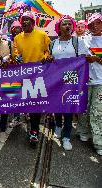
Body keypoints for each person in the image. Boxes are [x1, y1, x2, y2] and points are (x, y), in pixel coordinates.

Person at [13, 11, 51, 147]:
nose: (24, 22)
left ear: (33, 22)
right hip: (24, 77)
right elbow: (16, 54)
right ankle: (31, 123)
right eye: (23, 20)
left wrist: (46, 57)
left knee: (36, 104)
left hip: (40, 76)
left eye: (28, 20)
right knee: (28, 104)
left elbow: (48, 51)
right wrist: (15, 58)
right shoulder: (17, 38)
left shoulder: (42, 35)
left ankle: (34, 131)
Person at [49, 15, 78, 150]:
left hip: (71, 77)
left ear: (72, 27)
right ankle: (58, 126)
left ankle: (66, 136)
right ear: (59, 28)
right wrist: (48, 58)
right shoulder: (53, 43)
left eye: (69, 24)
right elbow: (50, 59)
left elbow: (83, 59)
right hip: (56, 78)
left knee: (68, 107)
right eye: (64, 24)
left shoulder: (77, 42)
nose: (67, 26)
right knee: (57, 105)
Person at [77, 13, 102, 156]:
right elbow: (78, 60)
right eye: (91, 24)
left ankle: (98, 142)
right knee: (84, 109)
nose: (95, 26)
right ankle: (83, 132)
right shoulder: (83, 40)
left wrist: (96, 59)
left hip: (100, 83)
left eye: (97, 23)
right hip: (85, 82)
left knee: (97, 113)